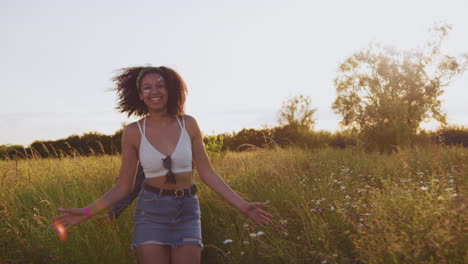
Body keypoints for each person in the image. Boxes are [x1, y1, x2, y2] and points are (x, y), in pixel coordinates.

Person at [51, 66, 273, 264]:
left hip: (187, 210)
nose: (154, 92)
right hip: (151, 212)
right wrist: (87, 211)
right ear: (140, 95)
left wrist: (243, 205)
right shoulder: (133, 132)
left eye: (160, 86)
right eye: (147, 88)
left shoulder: (189, 124)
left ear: (170, 89)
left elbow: (208, 174)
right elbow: (123, 187)